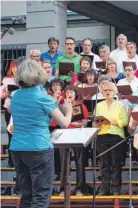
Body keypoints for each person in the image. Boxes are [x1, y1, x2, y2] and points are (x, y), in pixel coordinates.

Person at [9, 60, 72, 207]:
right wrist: (68, 111)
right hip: (39, 148)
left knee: (27, 195)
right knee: (41, 196)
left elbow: (30, 114)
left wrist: (51, 104)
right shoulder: (43, 97)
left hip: (17, 148)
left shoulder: (15, 95)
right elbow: (64, 123)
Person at [94, 82, 128, 195]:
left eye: (110, 90)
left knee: (116, 163)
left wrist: (111, 122)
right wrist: (98, 123)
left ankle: (115, 189)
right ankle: (104, 188)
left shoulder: (120, 105)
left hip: (116, 136)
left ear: (114, 92)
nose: (107, 92)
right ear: (102, 92)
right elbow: (95, 121)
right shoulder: (99, 105)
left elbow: (124, 121)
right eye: (105, 90)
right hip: (102, 135)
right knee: (104, 164)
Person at [58, 85, 90, 196]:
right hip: (64, 135)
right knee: (64, 164)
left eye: (71, 92)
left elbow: (85, 122)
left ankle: (80, 188)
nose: (69, 94)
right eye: (67, 92)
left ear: (75, 93)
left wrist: (80, 124)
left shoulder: (81, 106)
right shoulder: (61, 106)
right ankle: (63, 188)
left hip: (77, 134)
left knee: (80, 162)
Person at [1, 60, 19, 167]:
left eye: (17, 67)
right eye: (13, 67)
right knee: (10, 133)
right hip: (9, 108)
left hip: (20, 108)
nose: (15, 69)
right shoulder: (6, 79)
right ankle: (11, 161)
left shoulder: (24, 80)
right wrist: (6, 94)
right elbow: (0, 95)